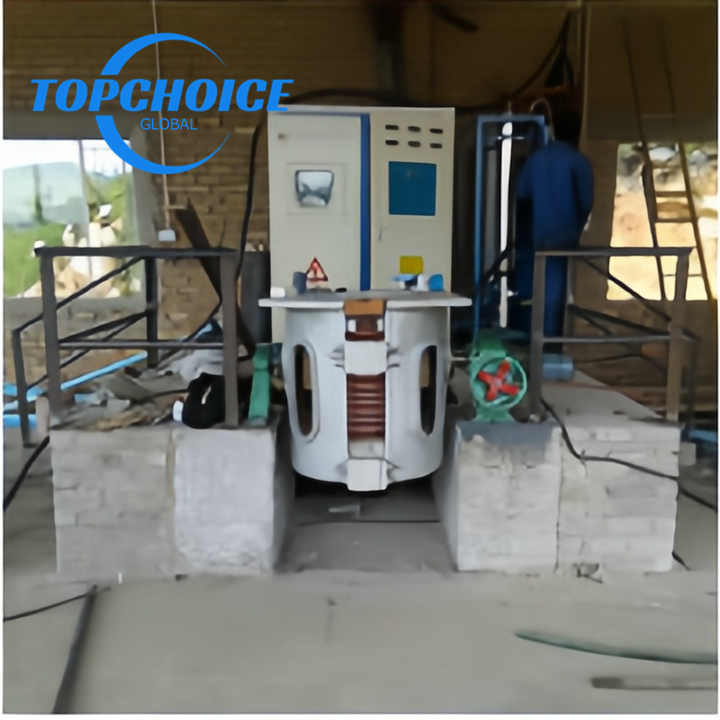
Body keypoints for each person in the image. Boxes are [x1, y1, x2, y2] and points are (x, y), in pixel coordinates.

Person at [510, 110, 594, 344]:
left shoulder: (536, 159)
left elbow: (522, 195)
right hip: (565, 238)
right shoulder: (578, 161)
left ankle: (534, 341)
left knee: (535, 289)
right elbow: (586, 201)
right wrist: (576, 225)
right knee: (556, 292)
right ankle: (549, 344)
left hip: (537, 235)